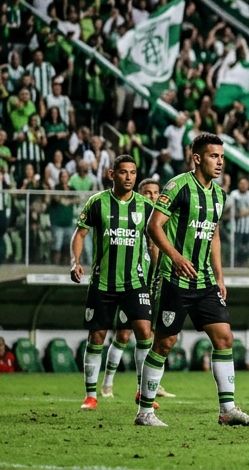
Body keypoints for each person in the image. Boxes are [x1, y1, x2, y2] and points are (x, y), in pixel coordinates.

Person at [134, 134, 249, 427]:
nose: (220, 162)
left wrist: (219, 276)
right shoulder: (177, 186)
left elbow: (214, 234)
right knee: (165, 343)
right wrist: (176, 257)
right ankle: (144, 412)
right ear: (198, 158)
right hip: (174, 278)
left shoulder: (219, 194)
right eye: (214, 156)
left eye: (222, 157)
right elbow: (154, 226)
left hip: (204, 281)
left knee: (224, 338)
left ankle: (227, 410)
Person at [69, 155, 157, 411]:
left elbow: (154, 242)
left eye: (132, 172)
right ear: (112, 174)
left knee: (143, 333)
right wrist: (75, 262)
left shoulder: (145, 206)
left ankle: (142, 391)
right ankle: (91, 395)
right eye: (123, 172)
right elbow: (80, 233)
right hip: (103, 282)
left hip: (135, 282)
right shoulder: (97, 203)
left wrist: (161, 268)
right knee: (97, 336)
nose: (128, 177)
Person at [98, 178, 173, 401]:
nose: (152, 197)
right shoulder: (135, 216)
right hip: (129, 282)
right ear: (140, 194)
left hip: (150, 285)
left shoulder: (160, 220)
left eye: (155, 193)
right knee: (123, 334)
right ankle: (107, 383)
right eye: (147, 193)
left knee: (149, 335)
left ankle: (148, 385)